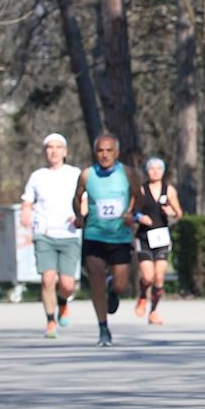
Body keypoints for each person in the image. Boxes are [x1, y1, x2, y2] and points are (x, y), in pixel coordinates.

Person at [72, 134, 139, 347]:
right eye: (101, 150)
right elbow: (76, 197)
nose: (105, 155)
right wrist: (80, 216)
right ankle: (103, 328)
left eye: (109, 150)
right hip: (94, 235)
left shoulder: (127, 173)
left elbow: (140, 196)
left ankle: (114, 290)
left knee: (121, 284)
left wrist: (132, 214)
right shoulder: (86, 175)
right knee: (96, 280)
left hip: (119, 236)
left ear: (116, 153)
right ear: (95, 153)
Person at [20, 133, 82, 339]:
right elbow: (27, 200)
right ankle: (50, 321)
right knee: (47, 280)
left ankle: (63, 302)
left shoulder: (75, 174)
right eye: (49, 147)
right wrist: (26, 212)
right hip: (44, 233)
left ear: (65, 151)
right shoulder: (37, 176)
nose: (53, 151)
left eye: (58, 147)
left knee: (67, 284)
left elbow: (85, 199)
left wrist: (80, 215)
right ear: (45, 151)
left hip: (69, 234)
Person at [133, 157, 182, 325]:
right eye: (151, 168)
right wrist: (140, 217)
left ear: (163, 171)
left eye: (158, 168)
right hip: (144, 238)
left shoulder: (169, 191)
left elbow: (179, 214)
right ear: (147, 171)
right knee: (148, 276)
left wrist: (171, 212)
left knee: (159, 276)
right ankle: (142, 296)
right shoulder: (140, 190)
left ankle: (153, 311)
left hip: (162, 237)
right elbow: (130, 212)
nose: (155, 171)